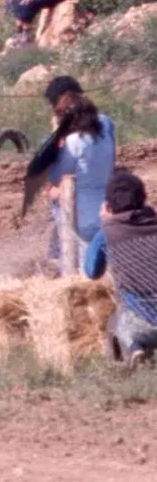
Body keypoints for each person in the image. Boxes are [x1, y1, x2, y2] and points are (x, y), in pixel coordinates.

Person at [94, 170, 157, 363]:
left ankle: (133, 351)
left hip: (142, 325)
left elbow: (91, 271)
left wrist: (105, 223)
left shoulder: (106, 234)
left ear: (108, 205)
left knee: (115, 322)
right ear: (144, 199)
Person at [45, 84, 117, 247]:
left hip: (83, 218)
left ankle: (61, 248)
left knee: (54, 192)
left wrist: (56, 133)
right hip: (108, 211)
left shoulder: (74, 142)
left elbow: (55, 177)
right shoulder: (105, 127)